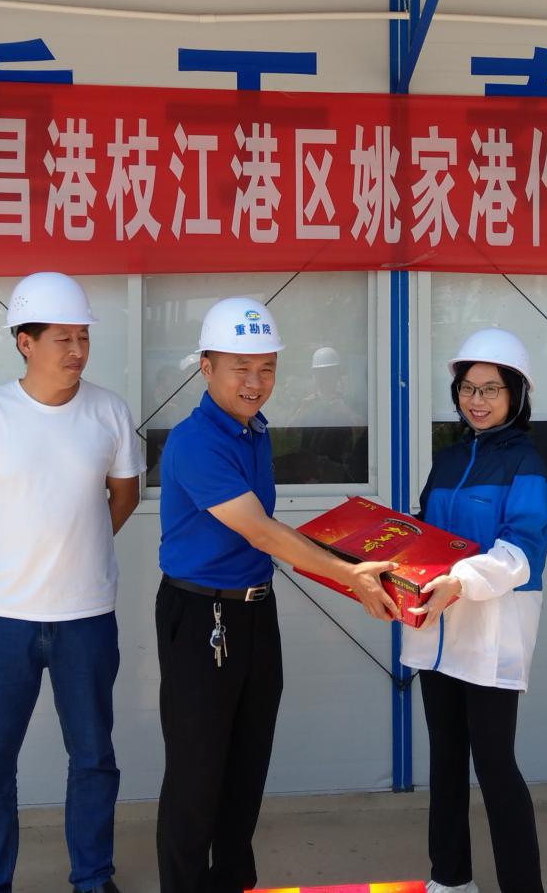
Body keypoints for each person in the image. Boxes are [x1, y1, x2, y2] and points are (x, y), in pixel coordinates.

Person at [155, 296, 399, 893]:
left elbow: (268, 535)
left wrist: (353, 553)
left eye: (266, 368)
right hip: (202, 616)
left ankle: (233, 882)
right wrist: (349, 574)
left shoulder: (254, 432)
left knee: (246, 767)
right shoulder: (194, 442)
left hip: (255, 612)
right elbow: (261, 531)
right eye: (240, 367)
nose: (255, 382)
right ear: (206, 367)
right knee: (196, 776)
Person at [0, 272, 144, 893]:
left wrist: (77, 546)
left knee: (94, 758)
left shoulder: (108, 410)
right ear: (24, 342)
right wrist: (7, 554)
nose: (77, 350)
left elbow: (125, 494)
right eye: (63, 338)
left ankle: (92, 878)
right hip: (3, 620)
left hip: (87, 618)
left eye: (84, 337)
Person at [401, 327, 547, 893]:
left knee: (494, 765)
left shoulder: (526, 462)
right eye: (468, 388)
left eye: (491, 389)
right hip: (435, 630)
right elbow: (424, 537)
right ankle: (450, 878)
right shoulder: (447, 459)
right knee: (444, 761)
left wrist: (459, 582)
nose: (477, 400)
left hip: (491, 633)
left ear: (516, 393)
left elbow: (522, 550)